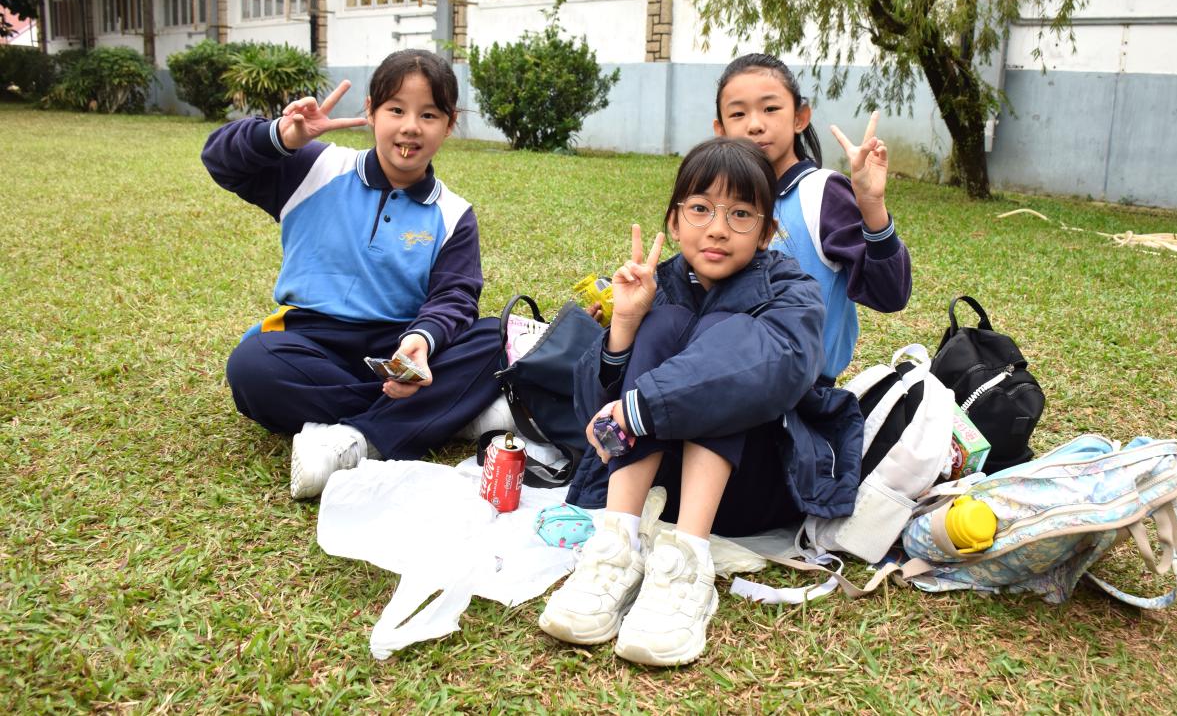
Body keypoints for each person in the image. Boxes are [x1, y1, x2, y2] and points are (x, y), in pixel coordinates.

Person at [544, 138, 863, 667]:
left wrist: (640, 409)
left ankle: (686, 567)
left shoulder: (793, 289)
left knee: (726, 348)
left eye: (740, 214)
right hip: (660, 486)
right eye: (700, 208)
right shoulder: (658, 285)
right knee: (663, 322)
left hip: (754, 484)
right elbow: (593, 415)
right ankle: (615, 549)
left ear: (766, 232)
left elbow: (773, 366)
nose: (717, 228)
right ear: (674, 221)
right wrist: (625, 324)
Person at [202, 49, 504, 500]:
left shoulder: (454, 213)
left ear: (449, 124)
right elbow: (219, 159)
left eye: (428, 115)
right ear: (370, 111)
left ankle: (360, 439)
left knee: (495, 338)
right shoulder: (314, 167)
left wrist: (421, 341)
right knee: (252, 366)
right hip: (310, 341)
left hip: (400, 346)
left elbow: (455, 297)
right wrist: (281, 136)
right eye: (396, 110)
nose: (410, 127)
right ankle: (447, 413)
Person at [713, 53, 912, 384]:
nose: (755, 124)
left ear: (800, 118)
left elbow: (890, 294)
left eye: (770, 108)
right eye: (738, 113)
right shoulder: (720, 199)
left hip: (799, 394)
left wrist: (872, 205)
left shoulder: (820, 193)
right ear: (720, 130)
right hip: (722, 376)